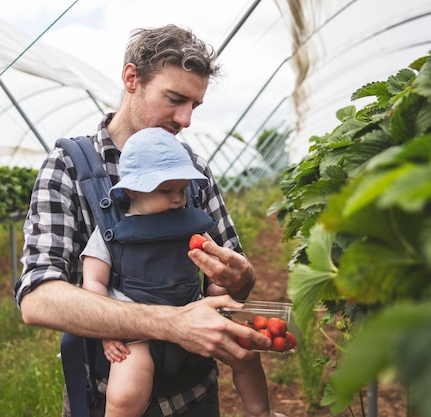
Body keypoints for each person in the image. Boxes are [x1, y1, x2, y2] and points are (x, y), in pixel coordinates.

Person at [14, 24, 285, 416]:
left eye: (195, 105)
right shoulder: (69, 168)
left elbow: (229, 289)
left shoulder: (194, 171)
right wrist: (169, 323)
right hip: (109, 394)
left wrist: (240, 277)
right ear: (132, 79)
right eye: (175, 98)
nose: (186, 119)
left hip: (196, 396)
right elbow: (37, 299)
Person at [81, 127, 277, 417]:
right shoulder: (112, 232)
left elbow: (214, 272)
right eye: (166, 190)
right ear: (133, 189)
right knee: (126, 393)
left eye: (182, 190)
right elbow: (94, 283)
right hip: (138, 330)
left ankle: (262, 412)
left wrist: (220, 285)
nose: (178, 199)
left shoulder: (192, 225)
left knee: (245, 355)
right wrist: (108, 330)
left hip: (195, 316)